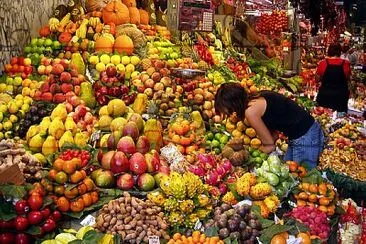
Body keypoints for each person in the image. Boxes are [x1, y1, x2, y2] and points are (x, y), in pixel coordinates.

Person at [215, 83, 324, 168]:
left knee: (304, 181)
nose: (228, 113)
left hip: (305, 137)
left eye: (226, 108)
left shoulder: (251, 112)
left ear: (232, 103)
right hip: (305, 132)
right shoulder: (257, 97)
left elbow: (270, 145)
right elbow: (274, 135)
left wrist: (250, 155)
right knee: (291, 174)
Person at [316, 43, 351, 112]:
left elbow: (317, 79)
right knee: (340, 118)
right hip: (340, 97)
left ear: (329, 51)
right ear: (340, 51)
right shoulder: (346, 63)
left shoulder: (322, 63)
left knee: (323, 116)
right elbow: (348, 78)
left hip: (325, 96)